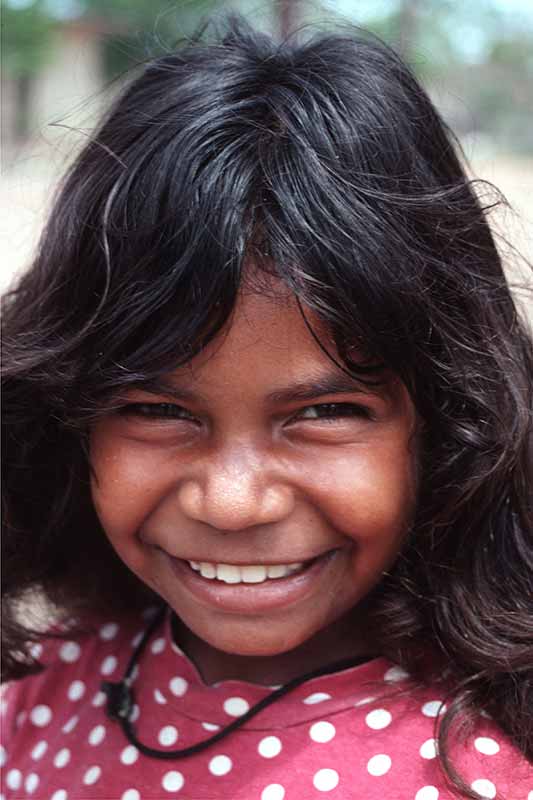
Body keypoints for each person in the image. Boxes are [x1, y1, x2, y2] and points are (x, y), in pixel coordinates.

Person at [1, 15, 532, 800]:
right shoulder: (50, 684)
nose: (232, 501)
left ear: (449, 426)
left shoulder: (486, 763)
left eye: (326, 414)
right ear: (66, 419)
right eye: (155, 409)